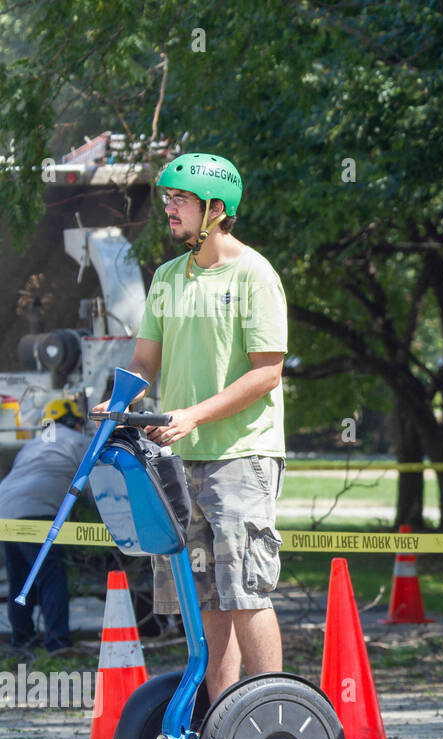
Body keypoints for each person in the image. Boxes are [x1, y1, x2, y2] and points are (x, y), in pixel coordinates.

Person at [95, 152, 285, 700]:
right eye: (168, 199)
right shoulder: (167, 277)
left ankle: (268, 713)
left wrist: (194, 415)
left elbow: (267, 372)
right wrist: (118, 398)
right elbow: (145, 362)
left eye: (180, 200)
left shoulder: (255, 275)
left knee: (245, 590)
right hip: (176, 457)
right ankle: (221, 720)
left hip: (241, 456)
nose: (169, 209)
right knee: (203, 597)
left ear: (216, 209)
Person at [1, 399, 93, 654]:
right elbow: (92, 487)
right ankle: (58, 643)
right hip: (35, 511)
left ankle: (21, 641)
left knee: (19, 579)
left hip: (5, 511)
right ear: (75, 423)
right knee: (51, 576)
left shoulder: (33, 444)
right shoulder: (80, 442)